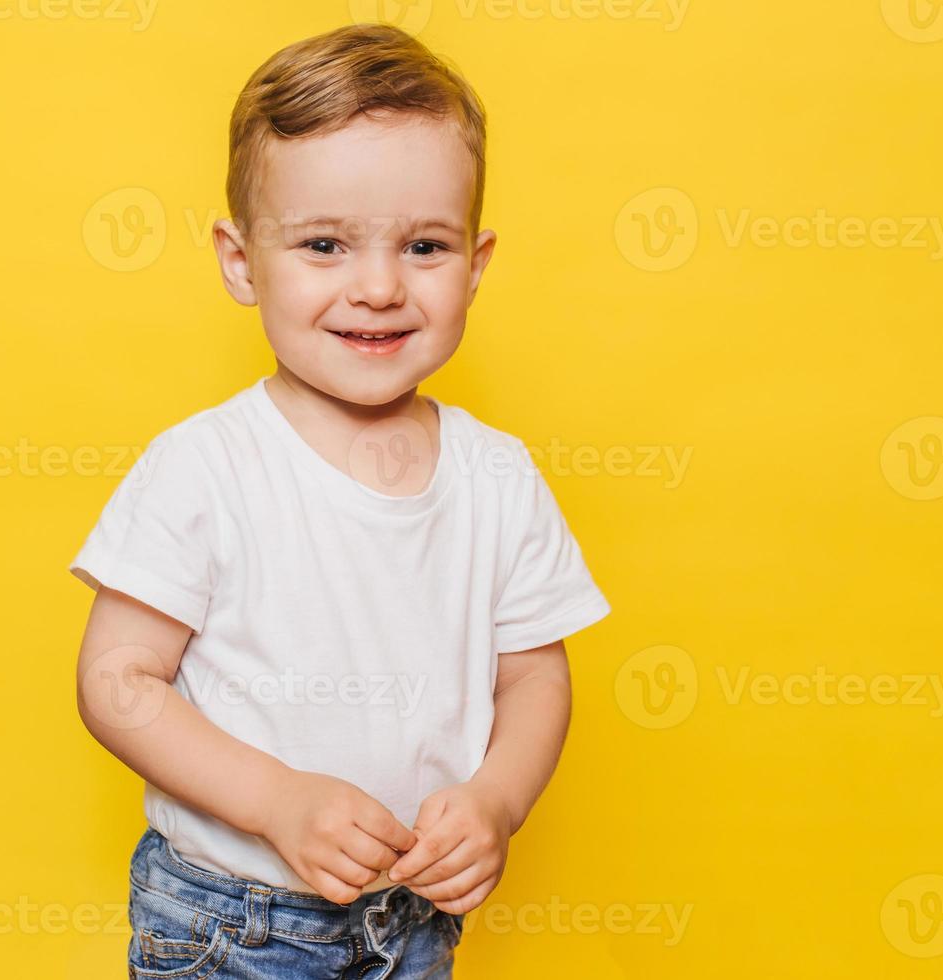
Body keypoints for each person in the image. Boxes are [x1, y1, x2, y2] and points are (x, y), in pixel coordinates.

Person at [70, 22, 611, 978]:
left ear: (476, 266)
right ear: (241, 262)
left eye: (424, 246)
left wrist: (495, 799)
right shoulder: (205, 467)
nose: (377, 287)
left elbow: (534, 678)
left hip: (412, 918)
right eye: (324, 244)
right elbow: (118, 685)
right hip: (231, 922)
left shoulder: (497, 476)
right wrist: (275, 800)